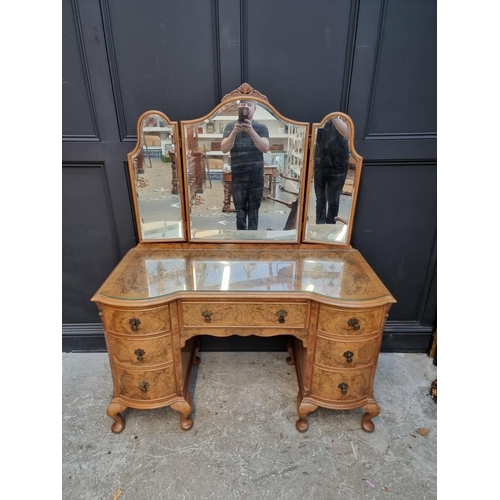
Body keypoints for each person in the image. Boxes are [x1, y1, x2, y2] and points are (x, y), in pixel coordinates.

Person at [221, 100, 270, 230]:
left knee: (254, 213)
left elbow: (265, 148)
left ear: (255, 109)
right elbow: (224, 149)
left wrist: (251, 131)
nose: (245, 107)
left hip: (256, 177)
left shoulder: (261, 127)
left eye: (249, 105)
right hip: (238, 177)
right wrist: (234, 132)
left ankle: (253, 243)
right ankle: (241, 243)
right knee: (240, 214)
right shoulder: (230, 127)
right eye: (242, 104)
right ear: (238, 108)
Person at [313, 118, 350, 224]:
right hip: (320, 163)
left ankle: (330, 229)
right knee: (320, 200)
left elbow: (346, 133)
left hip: (339, 165)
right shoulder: (320, 116)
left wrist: (333, 116)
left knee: (333, 201)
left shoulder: (342, 116)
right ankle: (319, 227)